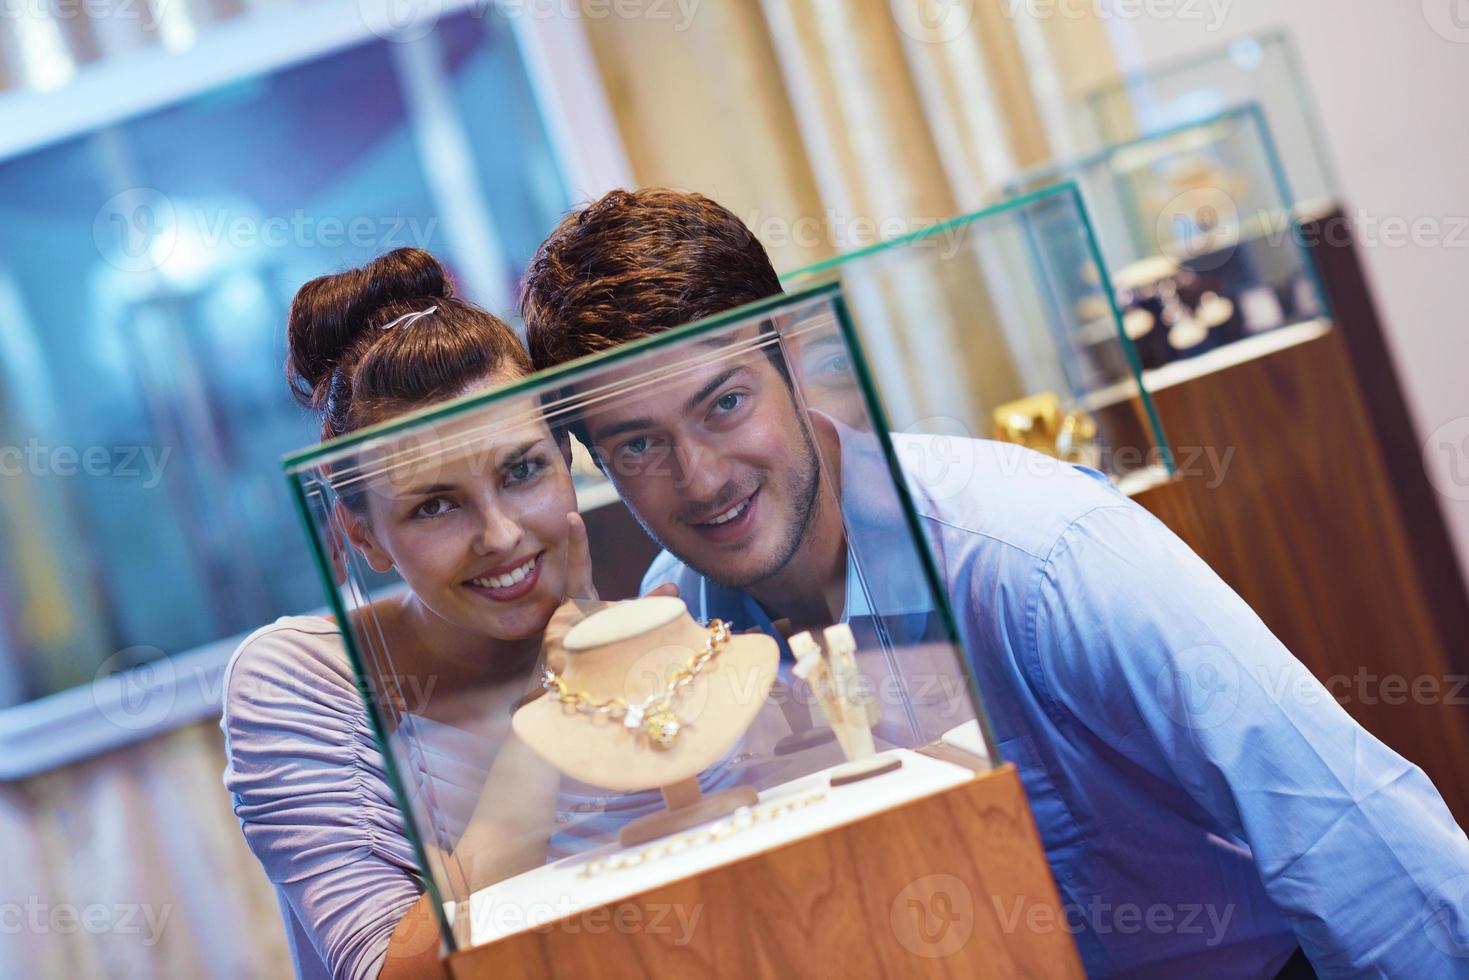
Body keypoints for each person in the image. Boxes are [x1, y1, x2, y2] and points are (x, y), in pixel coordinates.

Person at [519, 188, 1469, 978]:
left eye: (723, 404)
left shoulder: (1038, 554)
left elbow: (1360, 840)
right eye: (639, 445)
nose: (702, 479)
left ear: (786, 348)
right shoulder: (675, 621)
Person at [221, 248, 666, 980]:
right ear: (362, 535)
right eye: (434, 505)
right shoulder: (301, 681)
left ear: (566, 455)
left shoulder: (657, 621)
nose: (499, 536)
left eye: (521, 471)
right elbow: (402, 969)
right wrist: (551, 695)